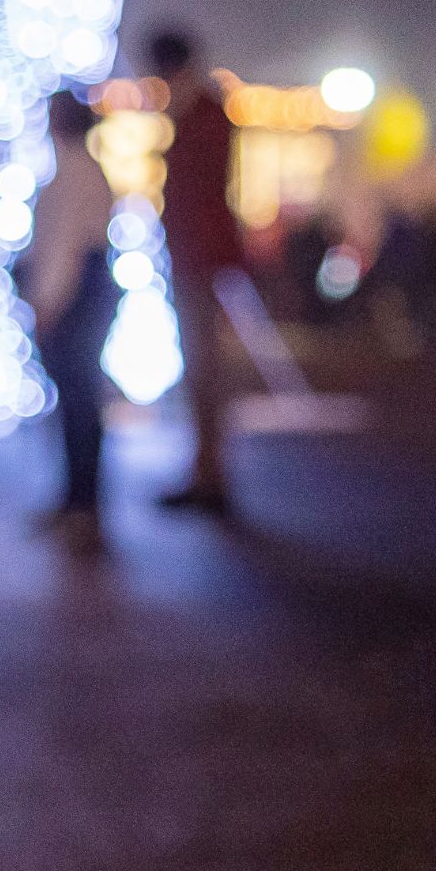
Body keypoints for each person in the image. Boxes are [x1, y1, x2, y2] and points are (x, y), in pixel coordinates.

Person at [146, 27, 242, 513]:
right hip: (196, 253)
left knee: (203, 365)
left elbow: (199, 192)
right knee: (201, 364)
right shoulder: (199, 109)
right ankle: (206, 470)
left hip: (197, 255)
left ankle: (210, 473)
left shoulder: (198, 111)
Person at [23, 92, 118, 533]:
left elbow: (66, 246)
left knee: (79, 400)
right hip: (86, 288)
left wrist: (48, 303)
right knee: (78, 401)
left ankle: (84, 507)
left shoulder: (74, 172)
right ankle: (76, 502)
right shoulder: (85, 169)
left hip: (78, 293)